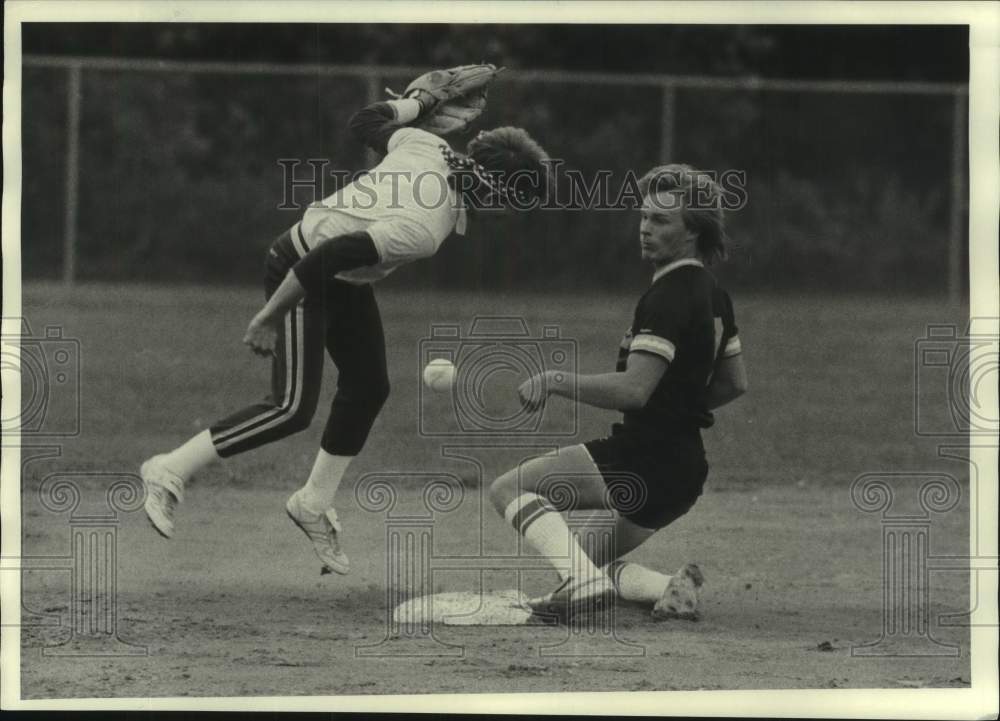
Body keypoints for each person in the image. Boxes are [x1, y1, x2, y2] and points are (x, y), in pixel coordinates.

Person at [141, 89, 551, 578]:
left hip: (341, 277)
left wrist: (421, 101)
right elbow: (325, 258)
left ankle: (312, 503)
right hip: (303, 268)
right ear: (493, 190)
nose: (510, 215)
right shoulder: (426, 228)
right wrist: (269, 316)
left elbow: (367, 121)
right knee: (291, 407)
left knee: (368, 386)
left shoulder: (428, 146)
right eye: (513, 202)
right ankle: (170, 469)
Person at [488, 163, 747, 621]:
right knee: (584, 565)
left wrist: (554, 381)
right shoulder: (714, 293)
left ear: (691, 233)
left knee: (510, 488)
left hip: (642, 458)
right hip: (683, 470)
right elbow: (732, 383)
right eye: (644, 217)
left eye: (661, 221)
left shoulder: (668, 296)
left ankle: (584, 583)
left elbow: (634, 391)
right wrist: (679, 409)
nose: (645, 229)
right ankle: (666, 587)